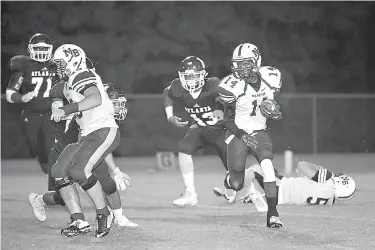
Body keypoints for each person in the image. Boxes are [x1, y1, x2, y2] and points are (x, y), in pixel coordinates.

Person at [28, 75, 138, 228]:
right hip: (65, 152)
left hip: (86, 151)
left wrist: (116, 170)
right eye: (115, 103)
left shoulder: (103, 117)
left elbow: (103, 146)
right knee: (62, 197)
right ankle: (38, 200)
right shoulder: (90, 119)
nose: (119, 107)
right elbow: (93, 141)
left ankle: (119, 218)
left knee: (107, 183)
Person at [47, 44, 120, 238]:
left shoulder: (80, 75)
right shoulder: (70, 81)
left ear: (73, 61)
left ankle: (104, 214)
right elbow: (57, 91)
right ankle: (79, 220)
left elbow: (94, 99)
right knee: (59, 172)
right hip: (88, 133)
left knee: (79, 171)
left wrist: (66, 109)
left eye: (60, 64)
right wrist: (58, 104)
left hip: (102, 130)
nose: (58, 68)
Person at [217, 43, 283, 228]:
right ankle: (228, 180)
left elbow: (270, 102)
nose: (240, 68)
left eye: (245, 63)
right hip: (237, 133)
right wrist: (241, 134)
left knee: (268, 166)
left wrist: (275, 110)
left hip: (259, 131)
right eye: (237, 64)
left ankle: (273, 214)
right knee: (237, 184)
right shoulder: (232, 86)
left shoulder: (271, 77)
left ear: (256, 62)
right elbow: (227, 120)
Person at [163, 56, 236, 206]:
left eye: (194, 76)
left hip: (221, 130)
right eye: (187, 76)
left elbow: (229, 100)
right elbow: (167, 93)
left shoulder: (213, 84)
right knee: (184, 149)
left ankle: (251, 193)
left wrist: (222, 110)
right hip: (200, 127)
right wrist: (170, 116)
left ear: (203, 75)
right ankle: (190, 193)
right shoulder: (177, 87)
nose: (191, 80)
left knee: (235, 171)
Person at [5, 33, 58, 189]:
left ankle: (55, 190)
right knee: (39, 152)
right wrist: (22, 98)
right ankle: (49, 169)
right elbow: (9, 94)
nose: (41, 50)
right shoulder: (23, 65)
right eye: (38, 47)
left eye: (44, 48)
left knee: (52, 151)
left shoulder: (56, 65)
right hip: (30, 116)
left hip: (51, 114)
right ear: (30, 49)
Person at [240, 161, 356, 208]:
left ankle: (243, 189)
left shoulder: (329, 178)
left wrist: (317, 167)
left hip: (280, 187)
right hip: (282, 199)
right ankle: (258, 197)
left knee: (256, 168)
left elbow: (301, 165)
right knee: (272, 170)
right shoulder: (330, 201)